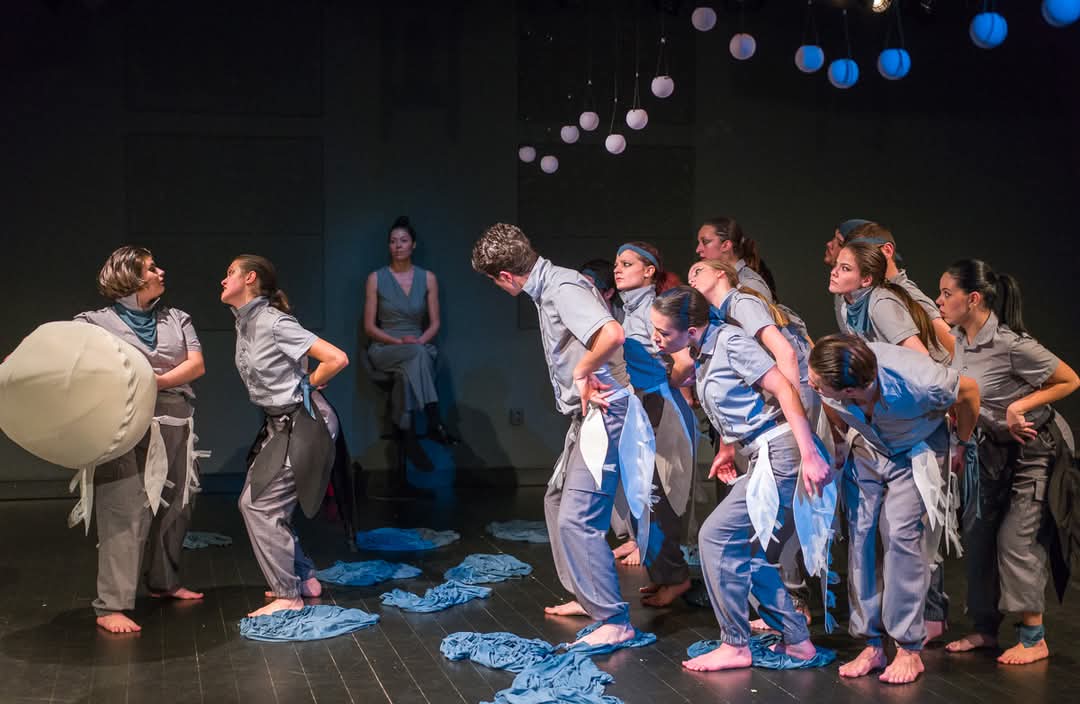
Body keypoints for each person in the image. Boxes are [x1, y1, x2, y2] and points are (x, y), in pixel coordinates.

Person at [471, 223, 648, 648]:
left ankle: (613, 618)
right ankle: (588, 597)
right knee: (555, 500)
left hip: (606, 410)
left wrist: (583, 369)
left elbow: (612, 333)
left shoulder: (563, 288)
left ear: (506, 276)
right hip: (586, 415)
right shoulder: (549, 286)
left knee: (578, 517)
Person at [650, 286, 831, 671]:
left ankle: (735, 644)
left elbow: (784, 388)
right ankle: (797, 640)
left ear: (691, 330)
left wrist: (810, 452)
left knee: (715, 537)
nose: (656, 338)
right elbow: (736, 402)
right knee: (746, 552)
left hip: (782, 451)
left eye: (663, 333)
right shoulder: (702, 351)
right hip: (762, 452)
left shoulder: (730, 342)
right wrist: (728, 449)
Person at [809, 334, 980, 684]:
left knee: (902, 537)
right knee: (861, 536)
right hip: (868, 447)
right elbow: (827, 401)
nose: (810, 384)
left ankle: (907, 647)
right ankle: (872, 643)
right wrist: (839, 440)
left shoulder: (919, 380)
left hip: (916, 447)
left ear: (849, 389)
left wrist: (962, 443)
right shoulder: (830, 377)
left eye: (817, 383)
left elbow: (970, 391)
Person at [937, 260, 1079, 665]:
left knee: (1016, 538)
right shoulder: (959, 337)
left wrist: (1020, 406)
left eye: (947, 293)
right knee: (979, 531)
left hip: (1035, 447)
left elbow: (1070, 379)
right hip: (993, 446)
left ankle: (1034, 638)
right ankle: (985, 628)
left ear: (973, 298)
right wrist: (960, 441)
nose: (939, 301)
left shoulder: (1012, 344)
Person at [74, 246, 206, 633]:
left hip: (175, 419)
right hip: (124, 423)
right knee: (124, 508)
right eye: (151, 268)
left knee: (177, 503)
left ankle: (164, 581)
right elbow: (60, 353)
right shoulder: (94, 322)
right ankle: (111, 605)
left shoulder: (176, 318)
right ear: (129, 277)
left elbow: (196, 365)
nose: (161, 272)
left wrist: (155, 381)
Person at [688, 258, 816, 626]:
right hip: (770, 424)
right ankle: (785, 615)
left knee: (774, 518)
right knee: (763, 520)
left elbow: (786, 354)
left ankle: (793, 606)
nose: (691, 276)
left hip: (785, 416)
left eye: (699, 269)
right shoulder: (721, 318)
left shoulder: (740, 303)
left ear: (722, 273)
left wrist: (789, 415)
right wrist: (728, 445)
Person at [221, 254, 349, 617]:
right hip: (279, 423)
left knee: (260, 506)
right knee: (255, 502)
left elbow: (336, 358)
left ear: (250, 278)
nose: (223, 280)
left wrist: (308, 384)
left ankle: (288, 594)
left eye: (230, 273)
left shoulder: (274, 322)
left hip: (305, 420)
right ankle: (303, 577)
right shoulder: (246, 322)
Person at [608, 242, 695, 606]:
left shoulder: (654, 309)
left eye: (627, 263)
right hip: (644, 404)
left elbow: (685, 359)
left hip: (660, 406)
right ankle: (664, 574)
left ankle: (675, 578)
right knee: (644, 495)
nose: (617, 269)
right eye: (616, 263)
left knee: (660, 495)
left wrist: (664, 387)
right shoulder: (630, 311)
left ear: (649, 271)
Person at [363, 216, 455, 444]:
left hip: (417, 345)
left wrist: (419, 341)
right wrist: (398, 342)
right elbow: (369, 327)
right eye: (393, 241)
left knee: (412, 364)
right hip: (386, 347)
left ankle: (401, 421)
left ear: (413, 245)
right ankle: (434, 419)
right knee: (418, 355)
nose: (398, 246)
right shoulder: (376, 278)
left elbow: (435, 324)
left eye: (403, 241)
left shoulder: (428, 278)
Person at [840, 222, 955, 361]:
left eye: (863, 254)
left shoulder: (907, 294)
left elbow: (952, 344)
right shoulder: (865, 299)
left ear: (887, 250)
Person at [694, 216, 776, 303]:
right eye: (699, 243)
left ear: (726, 245)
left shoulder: (750, 285)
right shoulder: (714, 282)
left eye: (705, 242)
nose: (698, 249)